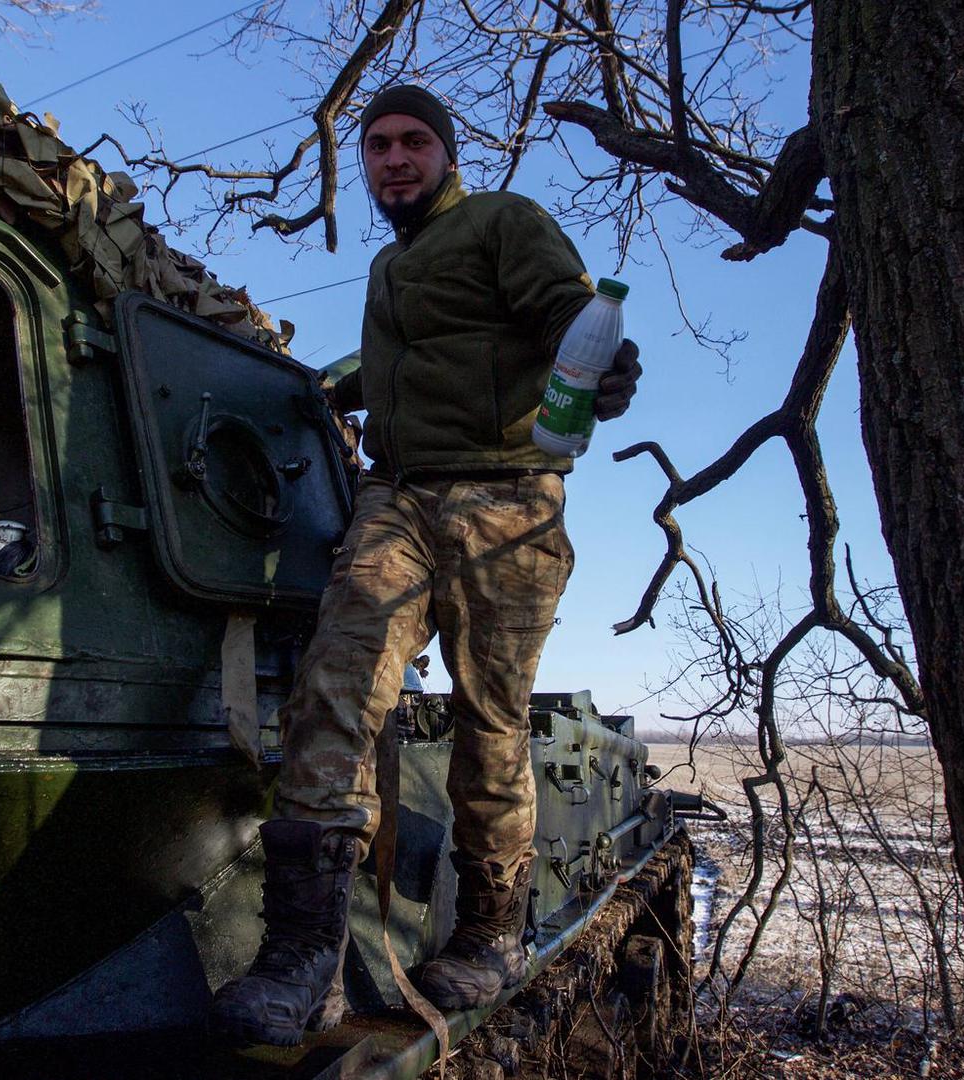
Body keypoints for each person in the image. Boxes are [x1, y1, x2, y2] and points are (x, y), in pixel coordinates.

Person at [209, 85, 642, 1046]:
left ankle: (490, 932)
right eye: (377, 146)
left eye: (413, 142)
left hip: (506, 501)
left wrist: (604, 361)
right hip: (396, 496)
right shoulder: (384, 265)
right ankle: (299, 956)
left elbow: (565, 315)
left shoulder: (501, 221)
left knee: (490, 719)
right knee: (336, 682)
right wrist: (316, 386)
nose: (394, 158)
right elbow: (395, 365)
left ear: (447, 154)